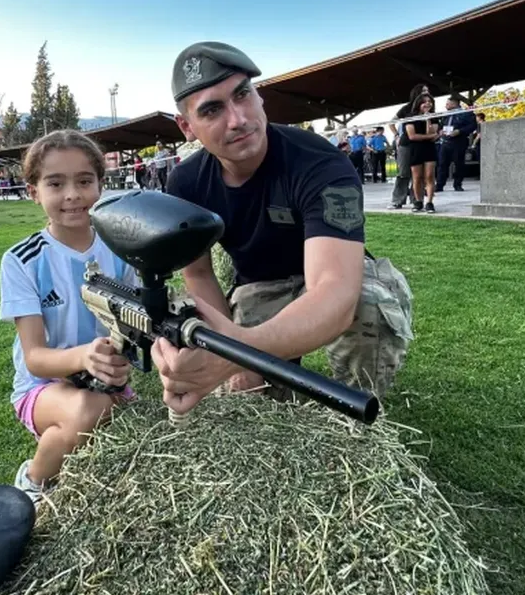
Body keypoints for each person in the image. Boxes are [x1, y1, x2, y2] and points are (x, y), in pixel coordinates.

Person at [150, 41, 413, 417]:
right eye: (212, 109)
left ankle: (354, 416)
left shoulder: (320, 163)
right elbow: (198, 273)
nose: (237, 119)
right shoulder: (186, 182)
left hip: (331, 279)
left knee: (367, 305)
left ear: (259, 96)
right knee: (248, 406)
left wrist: (239, 351)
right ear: (187, 127)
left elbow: (335, 291)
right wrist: (229, 349)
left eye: (242, 94)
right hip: (259, 288)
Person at [1, 129, 140, 504]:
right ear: (33, 192)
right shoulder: (23, 260)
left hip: (106, 382)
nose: (72, 194)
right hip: (41, 387)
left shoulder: (121, 248)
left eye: (84, 181)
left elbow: (136, 321)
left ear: (100, 185)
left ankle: (61, 460)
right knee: (86, 412)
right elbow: (35, 358)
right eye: (55, 183)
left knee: (110, 423)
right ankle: (33, 482)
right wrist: (84, 357)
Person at [388, 87, 427, 210]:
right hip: (406, 144)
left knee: (419, 175)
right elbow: (391, 122)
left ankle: (417, 201)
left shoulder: (429, 109)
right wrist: (396, 135)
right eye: (424, 91)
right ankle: (397, 200)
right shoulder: (406, 108)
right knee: (403, 173)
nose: (426, 93)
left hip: (421, 144)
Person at [403, 91, 440, 213]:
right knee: (417, 177)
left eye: (429, 102)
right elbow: (412, 136)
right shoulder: (410, 117)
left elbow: (432, 134)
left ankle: (429, 202)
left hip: (429, 149)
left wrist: (428, 120)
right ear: (418, 103)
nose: (427, 104)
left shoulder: (434, 117)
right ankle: (418, 201)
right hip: (415, 149)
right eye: (424, 102)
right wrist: (430, 136)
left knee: (429, 176)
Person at [435, 95, 477, 193]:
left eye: (448, 104)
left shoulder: (466, 113)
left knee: (459, 164)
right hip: (445, 142)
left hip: (459, 142)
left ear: (454, 104)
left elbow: (472, 125)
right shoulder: (445, 115)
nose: (446, 106)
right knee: (442, 164)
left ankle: (458, 184)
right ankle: (440, 185)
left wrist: (459, 131)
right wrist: (440, 130)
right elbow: (440, 125)